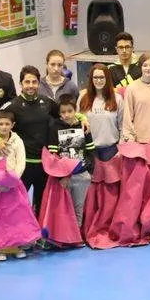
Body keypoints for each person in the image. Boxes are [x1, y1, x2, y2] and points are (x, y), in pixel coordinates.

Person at [0, 66, 64, 217]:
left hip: (44, 165)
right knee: (16, 203)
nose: (31, 85)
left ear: (38, 83)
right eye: (27, 82)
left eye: (34, 82)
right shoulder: (13, 105)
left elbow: (66, 114)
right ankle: (16, 236)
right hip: (22, 165)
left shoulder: (47, 102)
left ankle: (39, 236)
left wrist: (82, 118)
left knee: (42, 204)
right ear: (21, 83)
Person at [0, 110, 35, 261]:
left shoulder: (18, 141)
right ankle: (1, 249)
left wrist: (12, 180)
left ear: (13, 125)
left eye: (7, 124)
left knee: (16, 217)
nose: (4, 127)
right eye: (0, 124)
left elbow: (21, 162)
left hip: (14, 186)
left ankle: (16, 246)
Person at [48, 94, 96, 226]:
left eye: (70, 111)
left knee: (79, 208)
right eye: (63, 112)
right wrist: (61, 177)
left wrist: (89, 172)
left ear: (76, 110)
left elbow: (90, 150)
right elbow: (54, 155)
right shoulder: (54, 128)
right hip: (64, 178)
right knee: (64, 209)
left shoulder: (83, 126)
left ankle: (77, 236)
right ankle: (66, 237)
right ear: (59, 113)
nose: (67, 115)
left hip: (82, 175)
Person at [77, 64, 123, 161]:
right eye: (95, 77)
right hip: (89, 149)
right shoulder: (82, 97)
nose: (98, 80)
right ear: (91, 79)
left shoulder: (117, 99)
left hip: (111, 150)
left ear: (107, 78)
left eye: (102, 77)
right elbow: (76, 121)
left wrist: (121, 149)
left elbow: (122, 126)